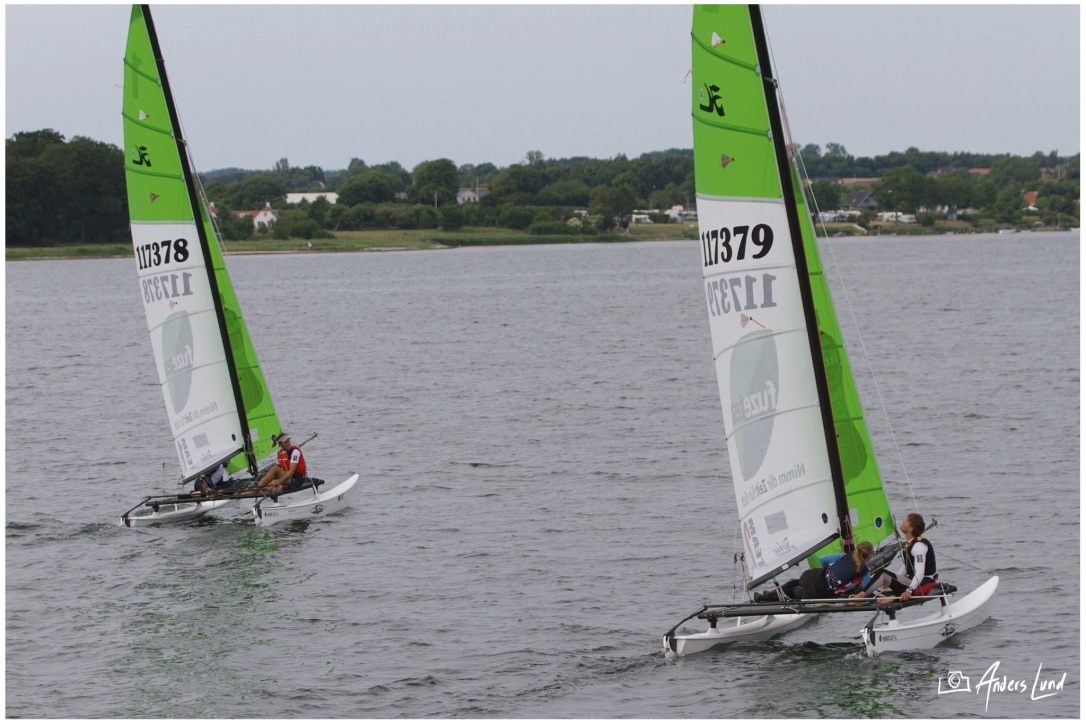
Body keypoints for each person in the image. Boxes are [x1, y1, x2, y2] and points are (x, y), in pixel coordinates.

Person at [851, 513, 937, 605]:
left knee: (882, 573)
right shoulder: (910, 543)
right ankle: (889, 596)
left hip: (922, 583)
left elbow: (920, 572)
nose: (903, 521)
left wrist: (909, 590)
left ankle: (858, 598)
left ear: (910, 528)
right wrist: (892, 581)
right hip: (912, 580)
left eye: (906, 521)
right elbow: (907, 565)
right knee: (878, 581)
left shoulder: (918, 546)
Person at [754, 541, 874, 602]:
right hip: (818, 592)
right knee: (795, 591)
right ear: (868, 556)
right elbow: (865, 589)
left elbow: (823, 559)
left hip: (811, 576)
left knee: (796, 582)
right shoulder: (864, 571)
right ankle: (765, 597)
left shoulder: (845, 555)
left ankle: (766, 595)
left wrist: (825, 570)